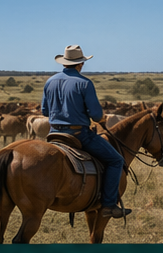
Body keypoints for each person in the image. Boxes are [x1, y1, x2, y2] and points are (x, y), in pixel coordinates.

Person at [42, 44, 129, 220]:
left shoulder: (50, 82)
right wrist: (101, 119)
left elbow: (45, 111)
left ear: (64, 63)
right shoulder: (84, 83)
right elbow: (96, 114)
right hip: (78, 135)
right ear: (81, 64)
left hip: (54, 134)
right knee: (116, 160)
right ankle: (109, 205)